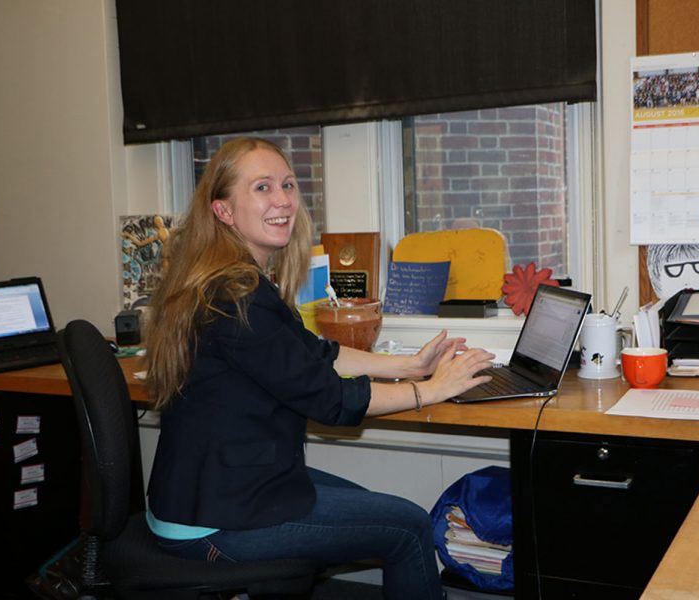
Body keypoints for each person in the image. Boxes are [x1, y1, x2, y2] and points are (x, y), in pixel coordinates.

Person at [143, 137, 495, 600]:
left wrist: (408, 365)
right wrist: (429, 390)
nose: (284, 200)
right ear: (224, 211)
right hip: (212, 519)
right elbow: (330, 397)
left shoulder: (232, 280)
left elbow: (314, 352)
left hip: (216, 490)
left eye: (287, 185)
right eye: (262, 188)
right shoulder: (236, 297)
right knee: (408, 525)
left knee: (373, 507)